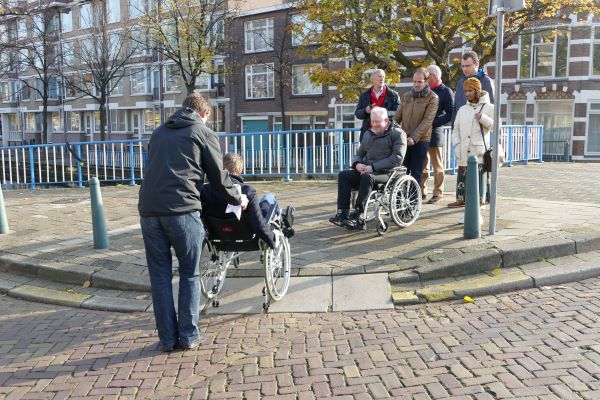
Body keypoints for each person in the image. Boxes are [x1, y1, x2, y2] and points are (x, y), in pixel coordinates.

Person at [138, 93, 248, 353]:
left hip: (149, 211)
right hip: (182, 210)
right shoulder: (202, 132)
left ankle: (166, 339)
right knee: (189, 273)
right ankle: (188, 336)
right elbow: (219, 178)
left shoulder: (158, 132)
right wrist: (238, 198)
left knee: (160, 276)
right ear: (205, 113)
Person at [329, 106, 407, 230]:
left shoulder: (398, 134)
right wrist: (357, 164)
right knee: (343, 175)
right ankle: (342, 214)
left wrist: (373, 167)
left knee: (367, 177)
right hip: (368, 170)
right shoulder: (368, 134)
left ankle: (358, 217)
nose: (375, 125)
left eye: (378, 122)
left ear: (386, 121)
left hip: (387, 173)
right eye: (373, 122)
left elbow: (397, 158)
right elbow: (359, 154)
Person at [201, 153, 294, 248]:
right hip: (246, 234)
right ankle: (283, 223)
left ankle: (283, 222)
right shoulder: (248, 191)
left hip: (217, 234)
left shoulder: (205, 190)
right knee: (269, 198)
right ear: (240, 170)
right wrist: (273, 240)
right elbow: (258, 224)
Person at [449, 77, 494, 210]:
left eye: (470, 90)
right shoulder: (462, 109)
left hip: (478, 150)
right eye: (465, 91)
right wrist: (456, 144)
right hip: (463, 149)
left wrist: (483, 119)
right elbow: (455, 129)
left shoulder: (489, 107)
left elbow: (497, 127)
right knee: (462, 175)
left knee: (478, 177)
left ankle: (481, 199)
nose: (467, 94)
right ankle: (460, 199)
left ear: (477, 90)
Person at [394, 67, 438, 188]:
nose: (416, 84)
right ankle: (400, 200)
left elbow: (427, 121)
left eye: (419, 82)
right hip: (404, 138)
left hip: (421, 139)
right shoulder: (406, 96)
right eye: (414, 81)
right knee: (402, 171)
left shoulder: (432, 98)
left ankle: (413, 202)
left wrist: (414, 138)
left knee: (416, 172)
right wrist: (394, 132)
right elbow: (397, 117)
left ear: (427, 81)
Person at [422, 65, 454, 204]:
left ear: (434, 76)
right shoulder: (424, 89)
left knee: (437, 166)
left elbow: (451, 114)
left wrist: (434, 122)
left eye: (427, 76)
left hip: (435, 132)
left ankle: (438, 193)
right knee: (423, 164)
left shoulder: (446, 91)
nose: (425, 79)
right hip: (422, 132)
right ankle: (422, 191)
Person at [452, 50, 495, 128]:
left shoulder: (486, 81)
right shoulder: (460, 82)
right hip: (462, 130)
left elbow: (492, 108)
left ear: (476, 64)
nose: (465, 69)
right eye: (463, 66)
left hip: (478, 130)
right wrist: (454, 130)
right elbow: (455, 108)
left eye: (468, 66)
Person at [355, 69, 400, 141]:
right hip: (369, 135)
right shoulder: (364, 95)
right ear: (372, 80)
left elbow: (398, 114)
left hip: (387, 135)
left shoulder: (393, 95)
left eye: (383, 76)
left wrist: (382, 114)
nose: (382, 78)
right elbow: (357, 114)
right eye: (379, 76)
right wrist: (366, 110)